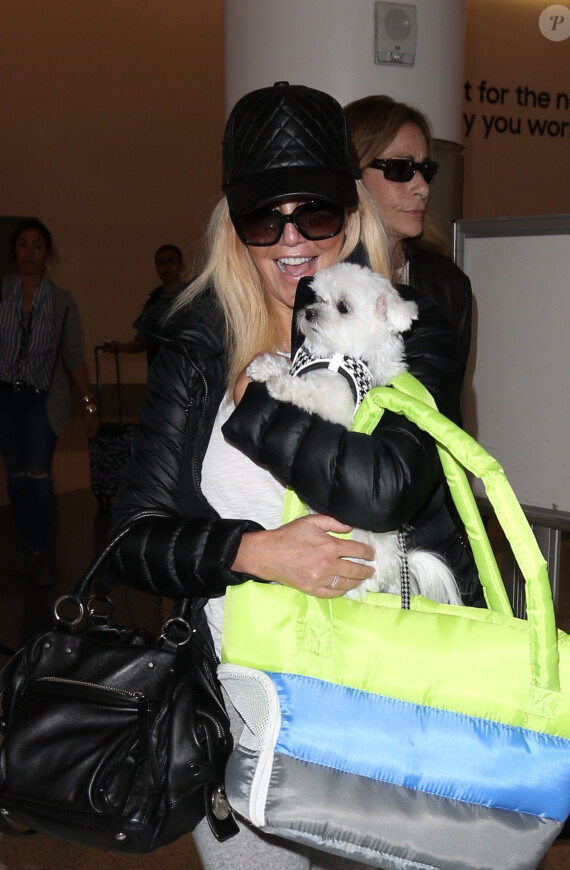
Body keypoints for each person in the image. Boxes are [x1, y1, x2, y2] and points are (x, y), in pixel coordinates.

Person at [111, 81, 483, 870]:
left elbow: (387, 488)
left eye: (313, 213)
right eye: (262, 217)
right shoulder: (197, 344)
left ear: (350, 215)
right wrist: (255, 554)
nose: (291, 239)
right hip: (244, 723)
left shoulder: (414, 328)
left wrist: (264, 412)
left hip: (392, 708)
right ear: (232, 227)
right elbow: (132, 538)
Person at [0, 218, 98, 586]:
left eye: (37, 245)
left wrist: (89, 405)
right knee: (15, 478)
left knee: (38, 476)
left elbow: (74, 356)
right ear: (15, 251)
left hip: (41, 400)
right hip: (5, 398)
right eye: (23, 244)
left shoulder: (61, 301)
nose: (29, 252)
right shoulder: (3, 290)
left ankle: (38, 552)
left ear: (47, 253)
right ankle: (26, 547)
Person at [344, 94, 473, 373]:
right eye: (400, 168)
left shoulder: (450, 286)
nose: (423, 187)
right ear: (353, 174)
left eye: (426, 170)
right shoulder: (321, 276)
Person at [105, 244, 187, 367]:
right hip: (158, 375)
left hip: (186, 373)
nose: (166, 267)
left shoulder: (190, 298)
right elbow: (142, 341)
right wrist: (121, 347)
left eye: (171, 261)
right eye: (161, 262)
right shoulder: (153, 303)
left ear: (180, 265)